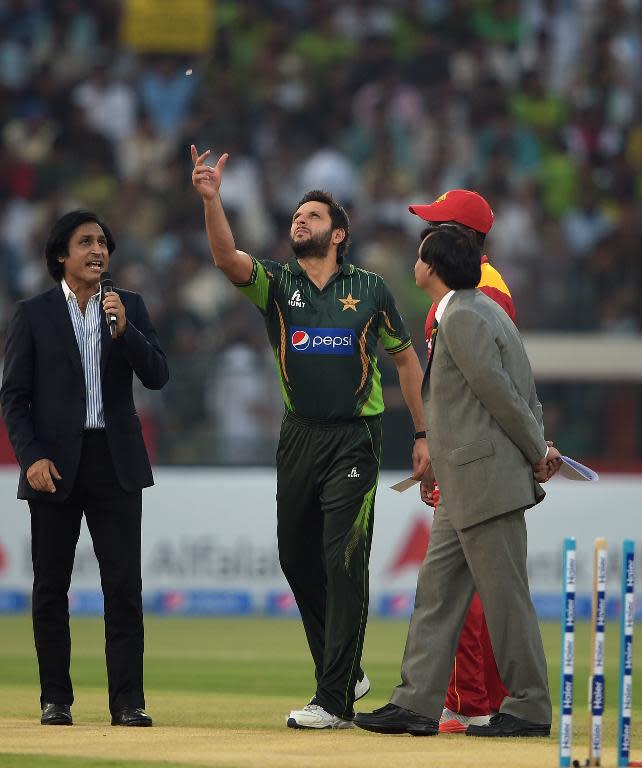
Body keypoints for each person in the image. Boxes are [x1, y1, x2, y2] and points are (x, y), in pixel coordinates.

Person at [190, 145, 429, 730]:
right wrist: (212, 199)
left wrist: (423, 433)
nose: (300, 220)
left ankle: (334, 699)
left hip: (354, 438)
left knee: (343, 561)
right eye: (297, 215)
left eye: (314, 216)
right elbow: (225, 259)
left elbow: (406, 363)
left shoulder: (371, 289)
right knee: (295, 555)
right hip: (298, 435)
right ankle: (342, 665)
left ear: (339, 233)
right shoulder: (278, 284)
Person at [354, 224, 562, 738]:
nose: (415, 262)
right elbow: (507, 393)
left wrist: (538, 449)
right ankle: (416, 704)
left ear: (434, 267)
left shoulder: (465, 317)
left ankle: (530, 708)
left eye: (421, 255)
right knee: (437, 596)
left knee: (504, 598)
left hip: (485, 483)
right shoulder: (476, 312)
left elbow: (500, 395)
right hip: (468, 479)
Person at [0, 210, 169, 727]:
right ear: (61, 255)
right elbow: (13, 398)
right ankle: (56, 699)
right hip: (53, 465)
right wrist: (31, 458)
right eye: (86, 242)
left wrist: (127, 333)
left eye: (103, 242)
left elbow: (158, 375)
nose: (98, 250)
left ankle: (128, 703)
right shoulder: (33, 315)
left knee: (124, 589)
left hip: (114, 462)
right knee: (51, 589)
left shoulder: (130, 307)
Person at [409, 189, 514, 733]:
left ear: (457, 236)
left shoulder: (478, 292)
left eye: (432, 228)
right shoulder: (476, 289)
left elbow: (476, 384)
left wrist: (444, 451)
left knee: (461, 579)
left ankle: (470, 700)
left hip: (470, 455)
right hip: (472, 451)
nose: (422, 238)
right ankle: (486, 698)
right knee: (480, 576)